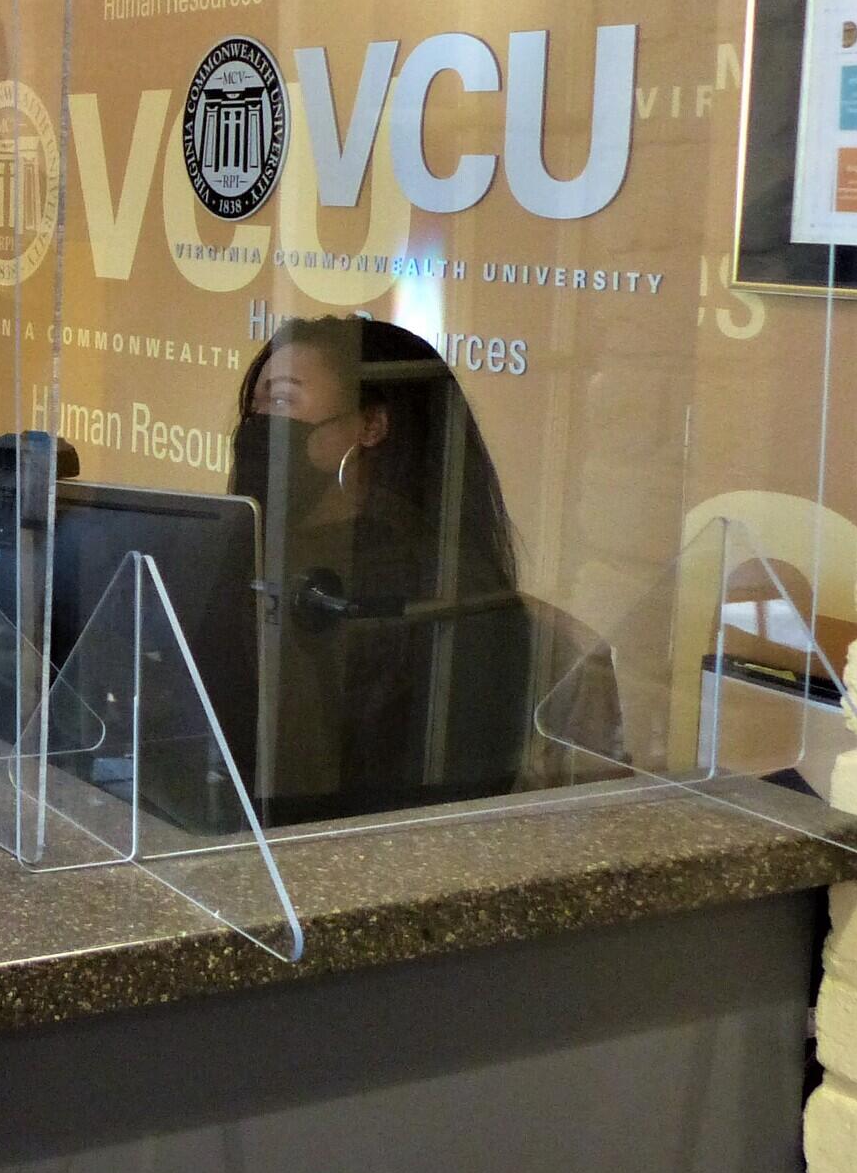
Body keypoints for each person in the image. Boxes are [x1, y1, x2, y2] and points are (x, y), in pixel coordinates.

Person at [228, 315, 619, 823]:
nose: (258, 425)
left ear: (372, 425)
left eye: (280, 402)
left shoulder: (422, 589)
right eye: (256, 406)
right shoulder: (258, 556)